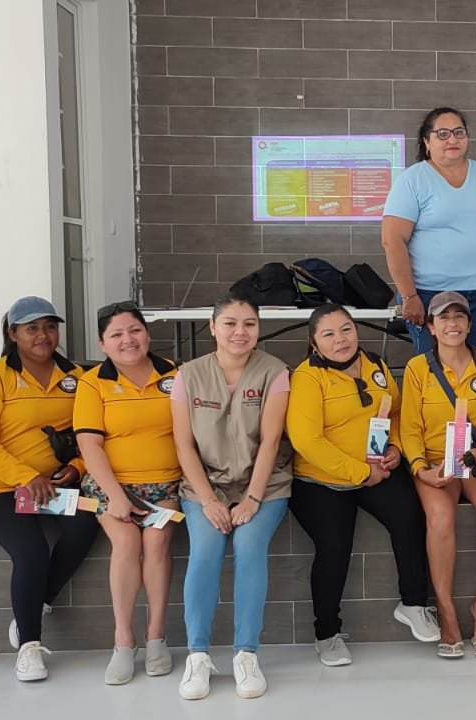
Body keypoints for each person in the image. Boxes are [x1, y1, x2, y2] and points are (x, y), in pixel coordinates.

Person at [287, 304, 438, 667]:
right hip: (320, 479)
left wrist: (396, 449)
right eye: (329, 334)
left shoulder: (375, 364)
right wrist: (359, 473)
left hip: (376, 468)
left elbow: (397, 412)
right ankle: (327, 633)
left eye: (346, 329)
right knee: (334, 546)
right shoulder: (307, 377)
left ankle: (414, 604)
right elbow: (306, 440)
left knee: (410, 517)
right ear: (313, 343)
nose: (340, 340)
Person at [0, 296, 97, 682]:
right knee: (31, 549)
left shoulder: (78, 378)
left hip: (52, 488)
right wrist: (24, 475)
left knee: (89, 521)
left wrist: (76, 467)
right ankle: (29, 647)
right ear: (13, 333)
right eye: (32, 328)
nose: (43, 335)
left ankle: (34, 604)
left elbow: (94, 432)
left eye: (50, 326)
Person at [169, 293, 292, 699]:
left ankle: (246, 653)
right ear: (213, 327)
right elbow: (184, 445)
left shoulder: (274, 371)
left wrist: (253, 499)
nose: (240, 332)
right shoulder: (188, 375)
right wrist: (208, 500)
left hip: (264, 485)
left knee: (249, 545)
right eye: (231, 323)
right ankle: (198, 656)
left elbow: (272, 440)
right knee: (204, 550)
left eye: (249, 324)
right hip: (205, 487)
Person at [399, 291, 476, 659]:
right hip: (436, 462)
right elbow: (408, 428)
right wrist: (421, 468)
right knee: (440, 516)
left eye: (459, 317)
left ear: (469, 324)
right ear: (431, 327)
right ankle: (447, 613)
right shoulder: (419, 368)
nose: (452, 324)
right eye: (443, 318)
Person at [74, 301, 181, 685]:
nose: (128, 340)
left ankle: (156, 636)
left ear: (146, 334)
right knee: (126, 543)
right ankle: (123, 640)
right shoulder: (92, 382)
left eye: (134, 330)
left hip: (165, 483)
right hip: (110, 486)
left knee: (156, 540)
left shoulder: (173, 374)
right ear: (103, 343)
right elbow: (89, 445)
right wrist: (116, 495)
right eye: (116, 334)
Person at [382, 107, 476, 358]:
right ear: (427, 141)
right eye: (443, 133)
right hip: (430, 294)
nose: (452, 139)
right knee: (437, 373)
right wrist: (409, 296)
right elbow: (392, 240)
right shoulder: (412, 180)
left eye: (459, 132)